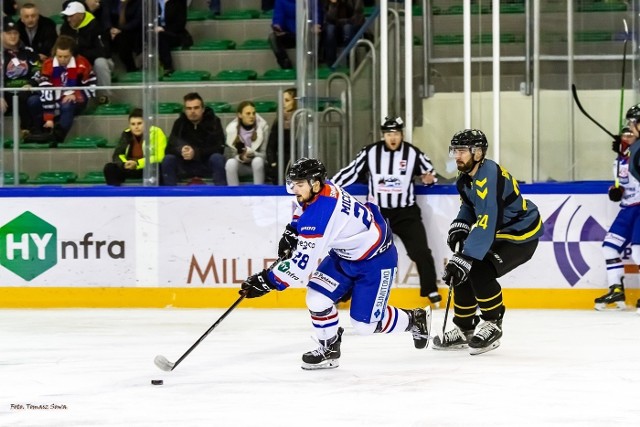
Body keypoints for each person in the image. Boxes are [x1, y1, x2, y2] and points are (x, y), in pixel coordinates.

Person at [239, 158, 432, 370]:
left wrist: (267, 281)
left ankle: (415, 318)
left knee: (365, 326)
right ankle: (329, 348)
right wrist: (293, 229)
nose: (294, 189)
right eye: (293, 183)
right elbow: (302, 207)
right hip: (345, 255)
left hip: (375, 261)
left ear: (314, 183)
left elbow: (301, 266)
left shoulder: (320, 215)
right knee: (316, 298)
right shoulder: (322, 188)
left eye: (299, 184)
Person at [434, 129, 543, 355]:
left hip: (521, 234)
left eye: (462, 151)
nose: (457, 156)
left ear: (479, 152)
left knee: (477, 267)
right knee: (462, 268)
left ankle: (493, 323)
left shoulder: (489, 175)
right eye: (455, 150)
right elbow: (469, 207)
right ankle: (464, 328)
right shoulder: (465, 177)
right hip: (498, 231)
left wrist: (465, 255)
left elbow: (488, 218)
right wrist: (460, 225)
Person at [332, 117, 441, 305]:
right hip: (377, 213)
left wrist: (429, 178)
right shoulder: (370, 152)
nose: (393, 137)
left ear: (402, 135)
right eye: (389, 134)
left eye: (396, 134)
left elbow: (429, 172)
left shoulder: (412, 153)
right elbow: (349, 172)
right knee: (359, 252)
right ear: (383, 135)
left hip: (406, 213)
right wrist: (330, 187)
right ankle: (345, 292)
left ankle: (430, 290)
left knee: (421, 251)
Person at [594, 106, 640, 314]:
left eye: (632, 129)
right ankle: (616, 289)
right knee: (609, 247)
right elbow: (625, 183)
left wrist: (629, 152)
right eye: (626, 130)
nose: (628, 132)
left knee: (639, 251)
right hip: (627, 208)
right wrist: (616, 191)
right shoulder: (621, 158)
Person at [26, 35, 96, 143]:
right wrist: (49, 116)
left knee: (67, 103)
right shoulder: (48, 64)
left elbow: (92, 85)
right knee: (33, 101)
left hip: (76, 98)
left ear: (72, 54)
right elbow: (45, 88)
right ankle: (40, 131)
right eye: (59, 56)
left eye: (66, 56)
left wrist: (76, 94)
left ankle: (58, 136)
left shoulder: (82, 63)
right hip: (54, 96)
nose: (62, 60)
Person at [161, 92, 227, 186]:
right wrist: (181, 150)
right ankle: (169, 196)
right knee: (168, 159)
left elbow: (219, 148)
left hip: (205, 164)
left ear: (203, 109)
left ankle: (221, 195)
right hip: (184, 165)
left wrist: (195, 152)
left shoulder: (214, 122)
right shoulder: (179, 123)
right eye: (189, 108)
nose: (192, 111)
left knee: (217, 158)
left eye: (196, 108)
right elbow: (169, 148)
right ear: (184, 110)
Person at [60, 1, 113, 104]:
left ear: (80, 15)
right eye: (67, 16)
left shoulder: (96, 26)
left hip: (98, 61)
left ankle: (104, 96)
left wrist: (80, 55)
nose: (68, 19)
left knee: (100, 62)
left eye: (71, 16)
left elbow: (103, 51)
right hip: (77, 61)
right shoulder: (66, 27)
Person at [103, 108, 167, 186]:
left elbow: (159, 157)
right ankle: (115, 195)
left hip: (146, 168)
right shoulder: (126, 134)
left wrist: (137, 163)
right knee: (109, 168)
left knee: (158, 167)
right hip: (129, 167)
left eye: (139, 123)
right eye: (133, 124)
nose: (136, 127)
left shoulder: (156, 132)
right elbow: (117, 155)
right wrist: (124, 164)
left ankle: (157, 194)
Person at [1, 16, 40, 136]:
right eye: (8, 33)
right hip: (5, 92)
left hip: (26, 90)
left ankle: (28, 130)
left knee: (26, 97)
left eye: (15, 33)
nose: (13, 36)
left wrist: (31, 83)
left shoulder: (29, 52)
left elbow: (37, 70)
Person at [224, 101, 269, 185]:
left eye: (253, 113)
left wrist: (253, 154)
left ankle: (258, 193)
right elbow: (228, 156)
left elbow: (265, 156)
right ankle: (234, 194)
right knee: (230, 163)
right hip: (240, 166)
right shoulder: (231, 130)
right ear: (240, 115)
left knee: (257, 161)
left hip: (257, 165)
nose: (252, 116)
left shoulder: (263, 128)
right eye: (248, 113)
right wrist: (241, 157)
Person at [266, 87, 296, 184]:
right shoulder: (278, 121)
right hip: (281, 164)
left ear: (295, 102)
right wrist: (274, 164)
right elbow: (270, 147)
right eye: (282, 100)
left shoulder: (302, 121)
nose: (283, 103)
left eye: (287, 100)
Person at [156, 0, 193, 77]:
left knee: (161, 36)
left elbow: (180, 24)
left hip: (175, 34)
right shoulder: (154, 3)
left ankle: (168, 67)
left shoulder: (179, 2)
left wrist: (163, 29)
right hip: (156, 32)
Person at [322, 0, 364, 67]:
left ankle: (352, 63)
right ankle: (331, 64)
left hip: (352, 26)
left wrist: (340, 22)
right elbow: (329, 19)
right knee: (330, 29)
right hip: (337, 28)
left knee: (347, 29)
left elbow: (356, 19)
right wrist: (333, 5)